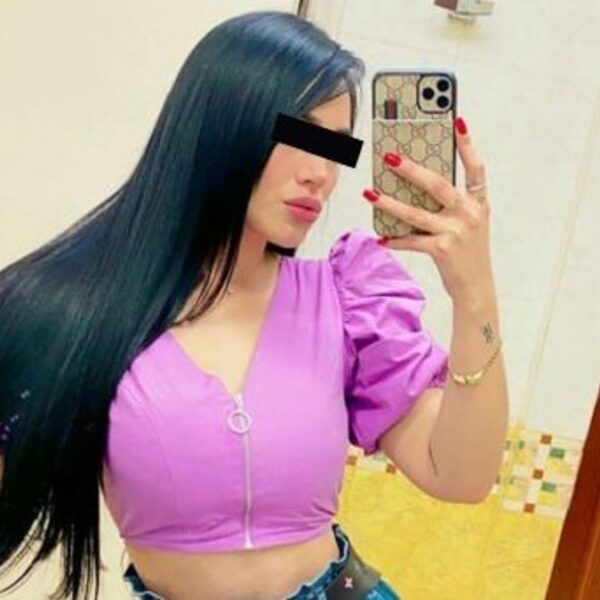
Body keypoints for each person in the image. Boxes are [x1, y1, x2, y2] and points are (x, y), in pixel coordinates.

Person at [0, 9, 508, 600]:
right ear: (218, 124)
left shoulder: (346, 298)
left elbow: (461, 476)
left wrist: (475, 291)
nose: (320, 174)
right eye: (299, 137)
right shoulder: (66, 311)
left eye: (335, 149)